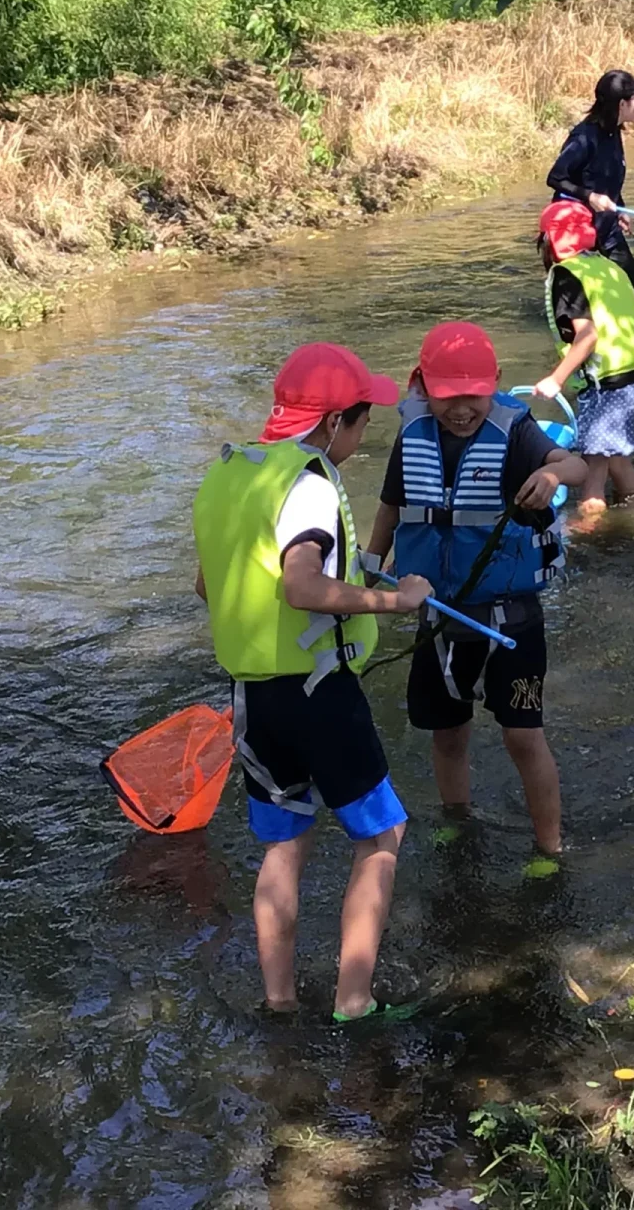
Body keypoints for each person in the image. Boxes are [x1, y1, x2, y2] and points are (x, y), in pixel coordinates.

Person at [190, 342, 429, 1022]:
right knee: (382, 836)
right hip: (318, 692)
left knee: (284, 844)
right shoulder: (311, 482)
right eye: (360, 422)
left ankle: (280, 1002)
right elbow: (300, 585)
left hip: (252, 699)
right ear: (331, 424)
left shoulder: (227, 475)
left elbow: (209, 585)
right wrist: (395, 601)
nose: (362, 434)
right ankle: (354, 1000)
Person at [367, 321, 586, 872]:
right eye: (447, 397)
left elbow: (577, 465)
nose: (462, 408)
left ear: (495, 385)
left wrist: (554, 476)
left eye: (474, 395)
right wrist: (368, 570)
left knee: (522, 736)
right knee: (447, 732)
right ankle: (456, 817)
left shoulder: (513, 432)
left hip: (510, 621)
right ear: (421, 387)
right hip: (439, 618)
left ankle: (549, 847)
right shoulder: (413, 433)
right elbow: (393, 508)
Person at [533, 201, 634, 516]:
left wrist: (556, 379)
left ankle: (588, 531)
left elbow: (587, 336)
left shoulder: (567, 275)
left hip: (607, 384)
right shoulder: (608, 266)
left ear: (550, 241)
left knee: (593, 469)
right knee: (616, 459)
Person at [545, 69, 634, 304]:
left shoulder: (613, 130)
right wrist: (590, 196)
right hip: (575, 226)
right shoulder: (584, 138)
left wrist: (621, 208)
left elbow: (606, 176)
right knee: (579, 296)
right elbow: (555, 177)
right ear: (622, 104)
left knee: (631, 281)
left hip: (606, 222)